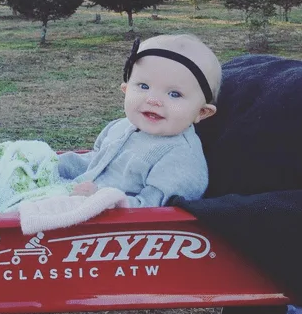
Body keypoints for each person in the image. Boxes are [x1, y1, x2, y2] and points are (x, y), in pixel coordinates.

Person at [58, 34, 222, 207]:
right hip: (74, 197)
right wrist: (54, 164)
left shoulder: (181, 159)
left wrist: (101, 199)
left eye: (174, 94)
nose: (153, 100)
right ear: (126, 89)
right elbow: (94, 163)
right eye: (144, 86)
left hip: (115, 228)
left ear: (202, 112)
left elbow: (156, 210)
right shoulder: (119, 127)